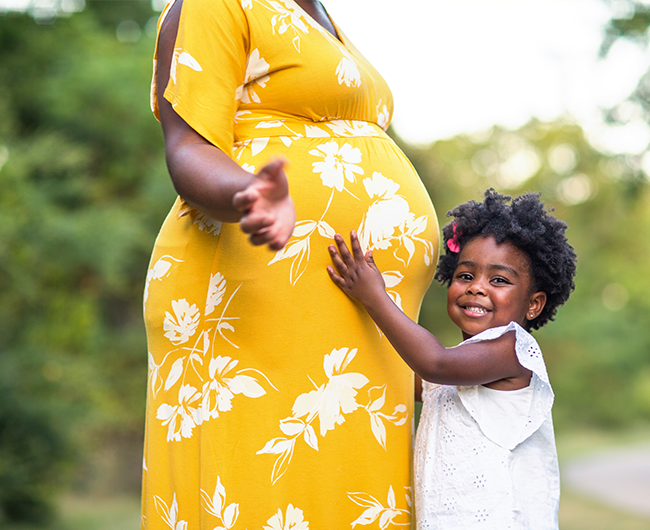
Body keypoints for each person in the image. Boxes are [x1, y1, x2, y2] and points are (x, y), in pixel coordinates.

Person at [142, 0, 438, 528]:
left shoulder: (317, 14)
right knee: (260, 491)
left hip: (356, 326)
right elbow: (187, 146)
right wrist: (252, 194)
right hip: (254, 300)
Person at [327, 189, 577, 529]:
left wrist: (375, 297)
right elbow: (399, 375)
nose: (476, 287)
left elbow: (434, 363)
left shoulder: (514, 351)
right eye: (465, 275)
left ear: (533, 304)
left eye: (499, 280)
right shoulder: (452, 369)